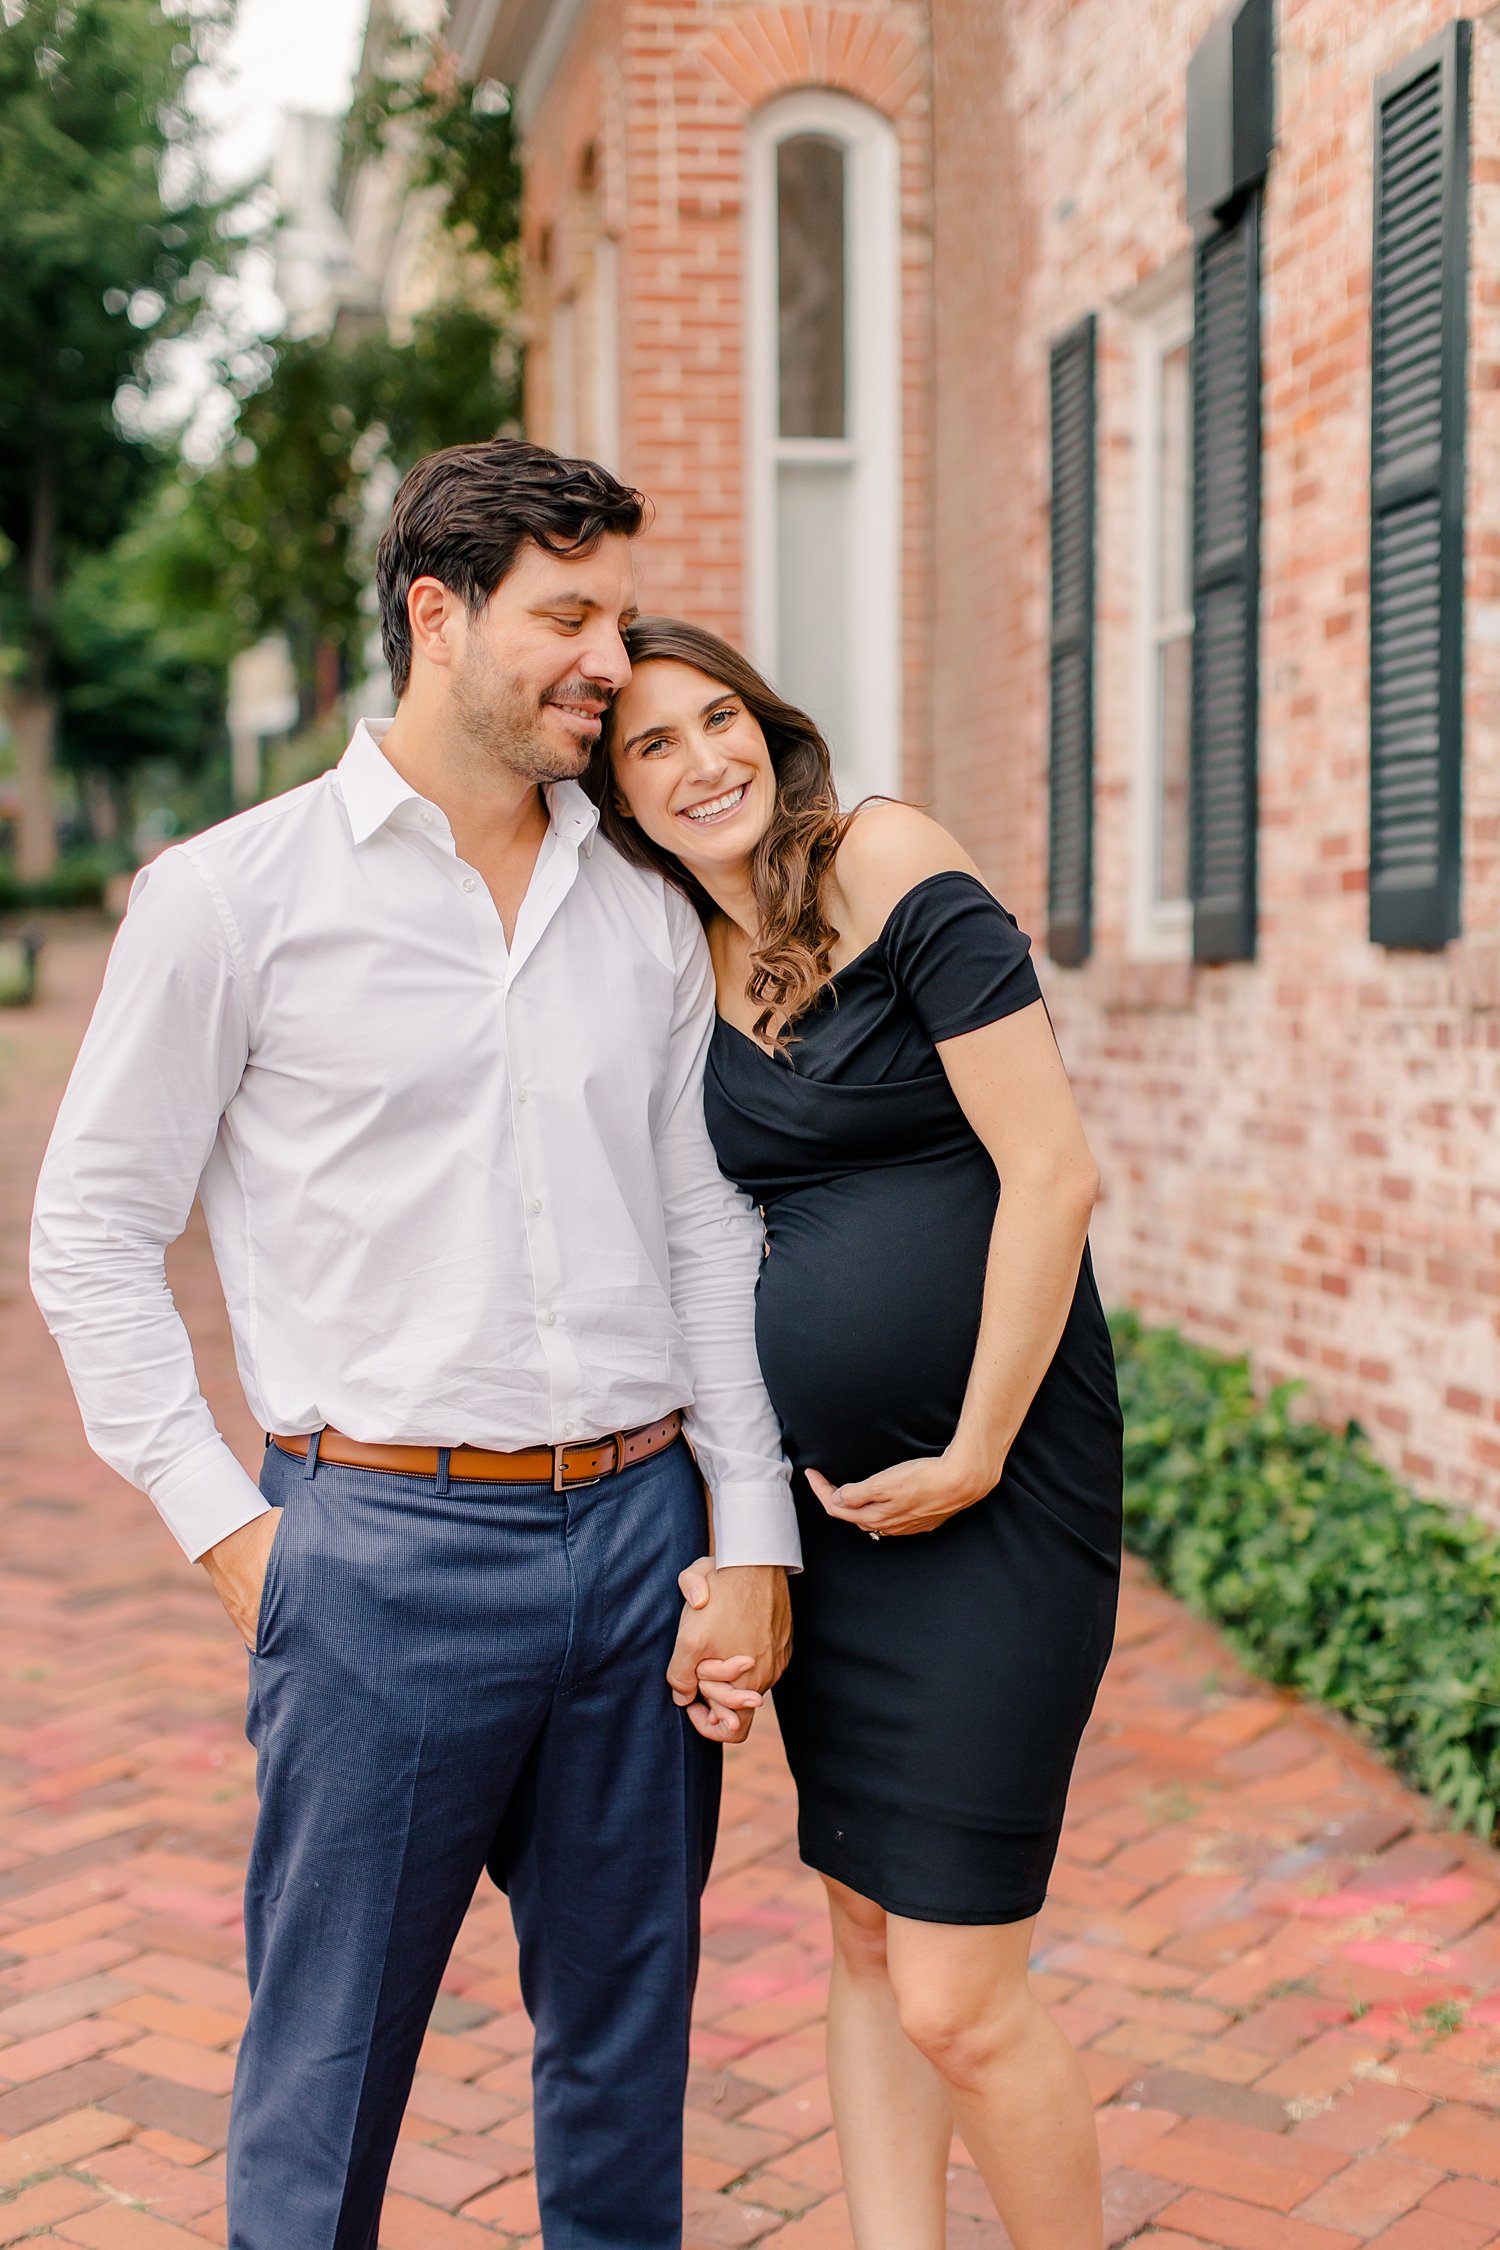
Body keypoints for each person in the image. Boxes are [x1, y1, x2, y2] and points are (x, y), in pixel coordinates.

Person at [30, 443, 801, 2250]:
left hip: (639, 1544)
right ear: (437, 617)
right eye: (569, 616)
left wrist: (747, 1535)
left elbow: (706, 1229)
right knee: (325, 2084)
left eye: (618, 611)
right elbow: (88, 1230)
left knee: (623, 2065)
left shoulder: (638, 906)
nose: (611, 659)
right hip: (376, 1550)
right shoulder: (235, 897)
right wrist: (233, 1531)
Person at [595, 617, 1124, 2250]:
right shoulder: (693, 954)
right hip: (837, 1523)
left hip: (999, 1490)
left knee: (962, 1988)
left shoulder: (886, 858)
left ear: (771, 722)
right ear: (619, 800)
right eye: (653, 747)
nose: (703, 763)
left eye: (719, 720)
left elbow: (1052, 1172)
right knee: (867, 1937)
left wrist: (971, 1444)